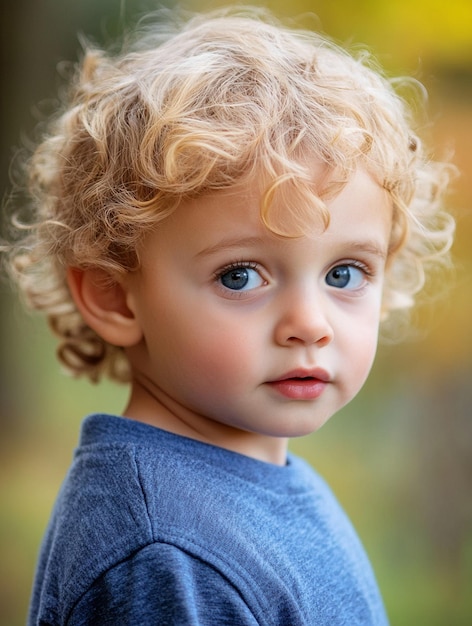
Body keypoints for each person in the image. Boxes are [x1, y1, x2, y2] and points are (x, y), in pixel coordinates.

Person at [3, 6, 454, 625]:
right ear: (113, 295)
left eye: (343, 274)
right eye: (240, 276)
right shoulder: (165, 553)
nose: (310, 323)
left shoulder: (255, 481)